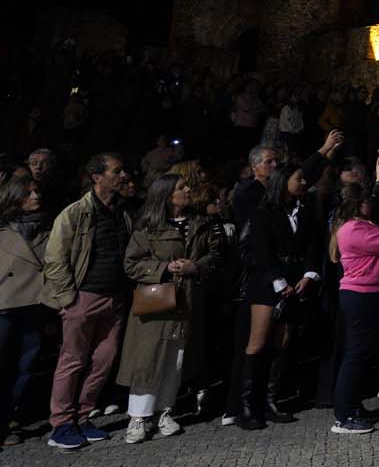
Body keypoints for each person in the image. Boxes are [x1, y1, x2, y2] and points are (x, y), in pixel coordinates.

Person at [117, 173, 217, 443]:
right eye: (181, 187)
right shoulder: (148, 227)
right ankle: (139, 417)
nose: (188, 190)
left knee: (176, 358)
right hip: (157, 301)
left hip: (188, 299)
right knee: (147, 358)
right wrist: (164, 268)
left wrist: (196, 267)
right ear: (166, 194)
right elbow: (131, 264)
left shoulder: (199, 223)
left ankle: (165, 411)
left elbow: (214, 254)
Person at [43, 152, 132, 450]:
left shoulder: (122, 211)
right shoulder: (75, 213)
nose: (123, 175)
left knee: (103, 360)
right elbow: (55, 258)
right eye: (116, 171)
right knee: (72, 360)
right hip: (84, 296)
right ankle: (61, 423)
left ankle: (82, 417)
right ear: (97, 177)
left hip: (114, 298)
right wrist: (69, 298)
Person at [329, 160, 379, 435]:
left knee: (364, 354)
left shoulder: (360, 224)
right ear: (358, 204)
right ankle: (343, 415)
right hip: (362, 297)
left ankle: (352, 405)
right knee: (356, 354)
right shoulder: (352, 229)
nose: (371, 205)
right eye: (367, 201)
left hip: (374, 294)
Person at [240, 166, 324, 430]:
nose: (304, 182)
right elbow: (262, 251)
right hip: (268, 283)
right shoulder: (264, 212)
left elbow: (313, 247)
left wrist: (309, 275)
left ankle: (270, 400)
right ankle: (247, 406)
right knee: (258, 342)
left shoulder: (306, 211)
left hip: (297, 282)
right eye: (299, 178)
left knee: (283, 341)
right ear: (283, 181)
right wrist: (278, 282)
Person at [0, 176, 50, 450]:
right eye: (28, 193)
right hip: (5, 304)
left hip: (35, 304)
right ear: (14, 198)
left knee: (25, 367)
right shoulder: (3, 229)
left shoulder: (47, 227)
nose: (35, 196)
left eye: (36, 191)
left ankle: (10, 419)